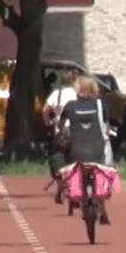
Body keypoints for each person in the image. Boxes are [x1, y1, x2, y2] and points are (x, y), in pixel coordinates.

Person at [59, 75, 113, 225]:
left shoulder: (70, 106)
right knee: (103, 169)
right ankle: (102, 209)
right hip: (98, 150)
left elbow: (61, 127)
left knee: (69, 162)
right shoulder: (101, 105)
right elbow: (107, 128)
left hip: (77, 151)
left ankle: (73, 195)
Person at [43, 70, 78, 203]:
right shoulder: (80, 95)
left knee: (55, 156)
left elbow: (45, 110)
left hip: (61, 131)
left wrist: (48, 123)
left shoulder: (57, 94)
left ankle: (60, 181)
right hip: (78, 130)